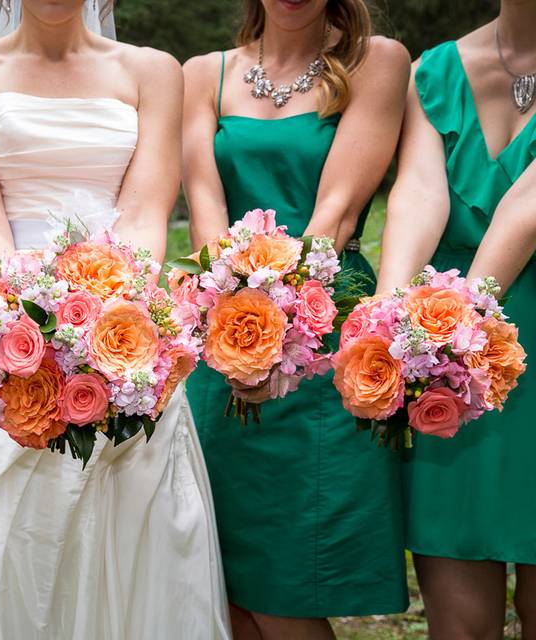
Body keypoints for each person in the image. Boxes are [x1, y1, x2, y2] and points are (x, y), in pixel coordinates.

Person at [0, 1, 231, 638]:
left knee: (126, 534)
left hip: (126, 331)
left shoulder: (153, 71)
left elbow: (147, 214)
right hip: (7, 332)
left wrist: (113, 329)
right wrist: (32, 330)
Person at [182, 0, 411, 637]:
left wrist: (275, 333)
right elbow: (204, 205)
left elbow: (335, 216)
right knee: (223, 581)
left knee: (286, 584)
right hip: (218, 325)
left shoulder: (376, 62)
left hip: (322, 329)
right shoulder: (202, 73)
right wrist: (227, 318)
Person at [378, 0, 536, 636]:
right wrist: (389, 327)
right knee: (459, 619)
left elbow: (524, 212)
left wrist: (455, 333)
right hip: (451, 368)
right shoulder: (433, 72)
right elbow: (419, 191)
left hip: (469, 336)